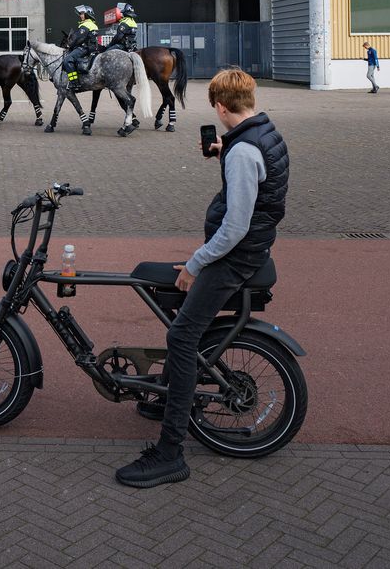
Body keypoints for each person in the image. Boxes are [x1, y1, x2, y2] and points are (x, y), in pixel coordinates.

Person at [116, 68, 288, 489]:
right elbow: (253, 174)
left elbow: (235, 227)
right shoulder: (261, 133)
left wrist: (196, 264)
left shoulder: (245, 152)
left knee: (181, 337)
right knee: (179, 317)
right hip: (246, 250)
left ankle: (170, 453)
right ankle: (165, 396)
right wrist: (219, 149)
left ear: (221, 107)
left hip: (235, 257)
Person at [64, 5, 100, 91]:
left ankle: (74, 82)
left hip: (85, 48)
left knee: (68, 59)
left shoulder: (85, 25)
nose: (80, 15)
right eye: (80, 14)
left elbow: (78, 39)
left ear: (87, 14)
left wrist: (70, 45)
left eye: (82, 14)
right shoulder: (93, 24)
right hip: (93, 48)